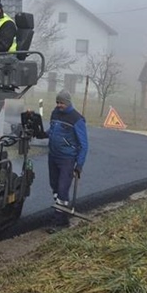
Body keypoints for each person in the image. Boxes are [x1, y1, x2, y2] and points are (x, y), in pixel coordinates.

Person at [47, 89, 88, 227]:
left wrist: (79, 165)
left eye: (61, 103)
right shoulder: (55, 113)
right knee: (55, 187)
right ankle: (63, 217)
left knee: (62, 188)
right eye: (57, 102)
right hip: (53, 156)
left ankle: (57, 222)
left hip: (67, 159)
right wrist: (42, 134)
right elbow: (52, 131)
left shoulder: (77, 119)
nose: (59, 105)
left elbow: (84, 144)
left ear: (68, 103)